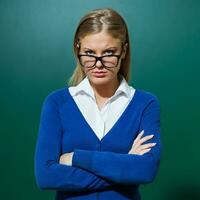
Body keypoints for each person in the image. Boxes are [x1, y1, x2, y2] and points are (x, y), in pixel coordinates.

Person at [34, 8, 161, 200]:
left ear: (124, 50)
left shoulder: (145, 104)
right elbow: (46, 176)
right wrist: (125, 166)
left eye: (109, 52)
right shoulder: (57, 103)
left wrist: (76, 158)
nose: (98, 64)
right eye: (89, 53)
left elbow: (146, 170)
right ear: (78, 49)